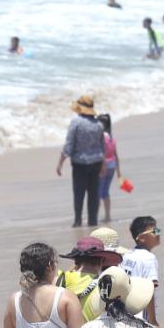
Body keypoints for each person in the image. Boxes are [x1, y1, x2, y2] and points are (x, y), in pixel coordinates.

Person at [57, 94, 107, 228]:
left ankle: (78, 220)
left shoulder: (76, 123)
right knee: (93, 193)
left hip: (80, 163)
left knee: (79, 193)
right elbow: (102, 146)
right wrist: (103, 164)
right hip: (96, 162)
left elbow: (69, 145)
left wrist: (61, 161)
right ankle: (92, 221)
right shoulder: (98, 124)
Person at [121, 216, 161, 326]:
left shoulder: (128, 255)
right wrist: (153, 321)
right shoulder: (149, 258)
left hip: (126, 314)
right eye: (155, 231)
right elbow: (150, 289)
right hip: (143, 317)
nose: (158, 233)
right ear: (142, 238)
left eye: (158, 230)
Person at [96, 113, 122, 221]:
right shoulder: (111, 137)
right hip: (112, 165)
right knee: (105, 192)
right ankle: (107, 216)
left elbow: (102, 153)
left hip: (104, 165)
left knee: (97, 193)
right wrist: (118, 171)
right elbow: (116, 155)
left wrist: (102, 167)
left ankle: (94, 217)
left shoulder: (102, 137)